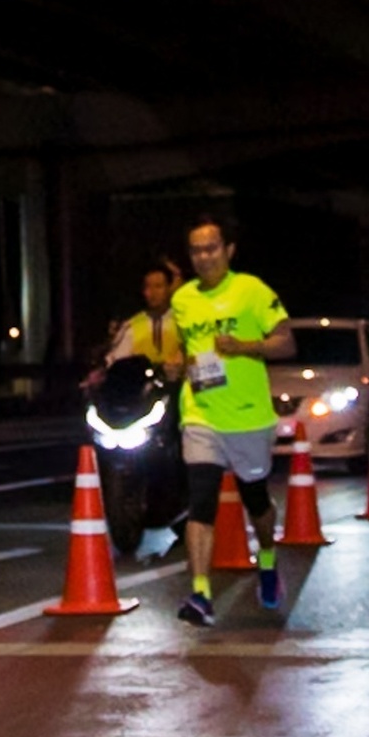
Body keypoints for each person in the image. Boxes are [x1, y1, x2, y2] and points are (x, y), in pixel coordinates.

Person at [168, 215, 296, 622]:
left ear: (228, 250)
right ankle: (200, 594)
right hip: (200, 413)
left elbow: (286, 342)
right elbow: (185, 349)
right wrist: (176, 364)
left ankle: (268, 560)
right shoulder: (182, 299)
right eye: (196, 250)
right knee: (200, 499)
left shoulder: (251, 290)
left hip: (247, 417)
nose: (203, 257)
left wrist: (244, 346)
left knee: (255, 500)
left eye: (211, 249)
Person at [102, 260, 192, 560]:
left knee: (187, 446)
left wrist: (182, 365)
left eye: (158, 286)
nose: (152, 292)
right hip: (143, 401)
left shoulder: (184, 320)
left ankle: (188, 502)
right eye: (148, 287)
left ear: (169, 288)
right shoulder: (133, 324)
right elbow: (115, 360)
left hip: (179, 395)